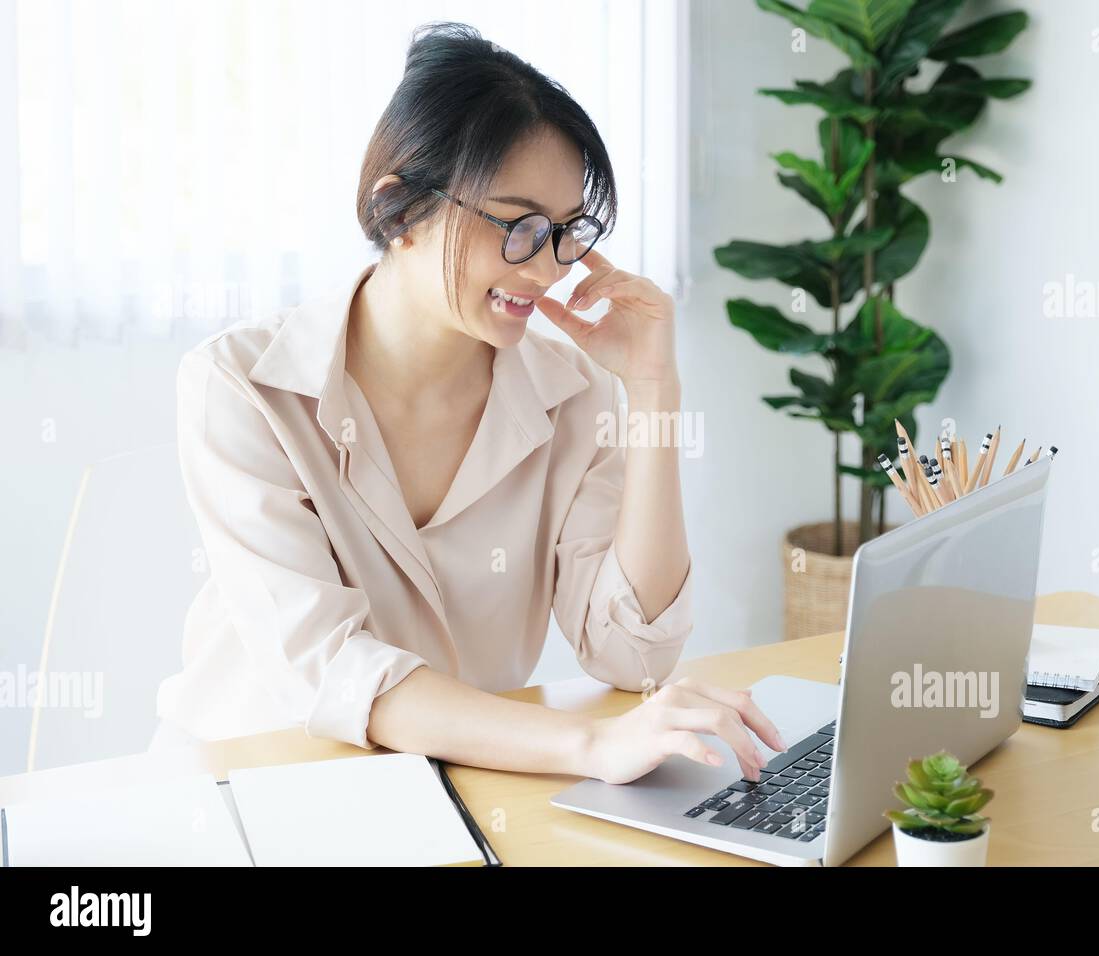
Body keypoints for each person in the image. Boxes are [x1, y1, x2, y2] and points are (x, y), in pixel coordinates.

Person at [152, 22, 784, 783]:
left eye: (564, 232)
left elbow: (631, 652)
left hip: (457, 783)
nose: (547, 267)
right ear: (398, 212)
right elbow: (329, 670)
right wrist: (589, 747)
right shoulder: (241, 386)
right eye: (517, 227)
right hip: (254, 788)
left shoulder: (573, 392)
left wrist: (651, 390)